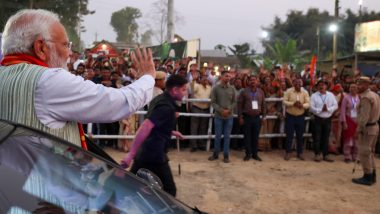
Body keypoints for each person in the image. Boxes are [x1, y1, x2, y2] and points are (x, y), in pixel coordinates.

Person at [0, 9, 156, 147]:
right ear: (41, 47)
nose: (69, 53)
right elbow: (119, 103)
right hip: (46, 179)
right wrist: (148, 76)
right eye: (66, 45)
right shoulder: (48, 81)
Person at [120, 75, 187, 196]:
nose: (185, 93)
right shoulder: (166, 106)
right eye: (183, 89)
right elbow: (146, 126)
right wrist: (130, 154)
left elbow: (157, 125)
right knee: (170, 191)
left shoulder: (160, 99)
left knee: (130, 185)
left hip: (146, 152)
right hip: (154, 154)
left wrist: (170, 131)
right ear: (175, 90)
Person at [352, 77, 380, 186]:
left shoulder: (366, 98)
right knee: (370, 152)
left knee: (364, 152)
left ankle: (367, 176)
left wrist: (358, 129)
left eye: (360, 84)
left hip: (367, 129)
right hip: (374, 126)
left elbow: (364, 117)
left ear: (366, 85)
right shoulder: (375, 95)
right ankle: (372, 175)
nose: (358, 86)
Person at [208, 71, 236, 163]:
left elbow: (235, 102)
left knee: (227, 136)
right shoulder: (216, 88)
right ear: (221, 77)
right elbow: (213, 102)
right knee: (218, 136)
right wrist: (221, 110)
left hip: (229, 116)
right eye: (226, 76)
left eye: (229, 76)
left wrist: (229, 110)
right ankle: (216, 154)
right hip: (219, 116)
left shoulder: (232, 89)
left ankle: (226, 155)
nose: (228, 78)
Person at [238, 75, 266, 161]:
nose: (253, 81)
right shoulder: (244, 92)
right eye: (251, 80)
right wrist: (240, 117)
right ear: (248, 82)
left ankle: (255, 154)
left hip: (257, 118)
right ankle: (248, 154)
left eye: (255, 80)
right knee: (247, 136)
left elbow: (264, 105)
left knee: (255, 137)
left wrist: (264, 117)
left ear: (257, 82)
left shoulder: (261, 92)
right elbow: (239, 105)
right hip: (247, 117)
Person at [310, 80, 338, 162]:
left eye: (323, 85)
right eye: (319, 85)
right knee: (317, 137)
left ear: (326, 86)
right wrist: (320, 110)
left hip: (327, 119)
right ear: (317, 87)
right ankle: (317, 154)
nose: (321, 86)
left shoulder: (331, 95)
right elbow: (311, 108)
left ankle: (325, 154)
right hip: (318, 118)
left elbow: (335, 105)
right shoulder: (314, 96)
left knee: (326, 137)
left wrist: (328, 109)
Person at [283, 78, 310, 161]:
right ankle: (288, 152)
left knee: (300, 136)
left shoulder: (305, 92)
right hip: (290, 116)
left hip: (300, 116)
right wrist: (292, 104)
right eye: (296, 82)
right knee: (289, 135)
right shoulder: (288, 91)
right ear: (293, 83)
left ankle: (300, 153)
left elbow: (308, 103)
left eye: (299, 82)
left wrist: (302, 105)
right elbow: (284, 101)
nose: (298, 84)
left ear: (301, 83)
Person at [189, 73, 212, 152]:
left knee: (203, 127)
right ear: (200, 80)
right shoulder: (197, 86)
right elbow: (192, 88)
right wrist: (193, 80)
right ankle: (193, 145)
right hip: (196, 108)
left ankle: (201, 144)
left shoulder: (210, 87)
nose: (205, 80)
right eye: (204, 79)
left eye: (206, 79)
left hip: (206, 109)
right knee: (194, 127)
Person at [340, 83, 359, 163]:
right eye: (351, 87)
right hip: (348, 120)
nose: (353, 89)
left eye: (354, 87)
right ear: (349, 88)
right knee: (348, 139)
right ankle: (347, 156)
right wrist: (344, 122)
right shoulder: (346, 98)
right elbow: (343, 110)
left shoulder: (360, 97)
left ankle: (356, 156)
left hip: (357, 121)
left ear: (357, 89)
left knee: (357, 139)